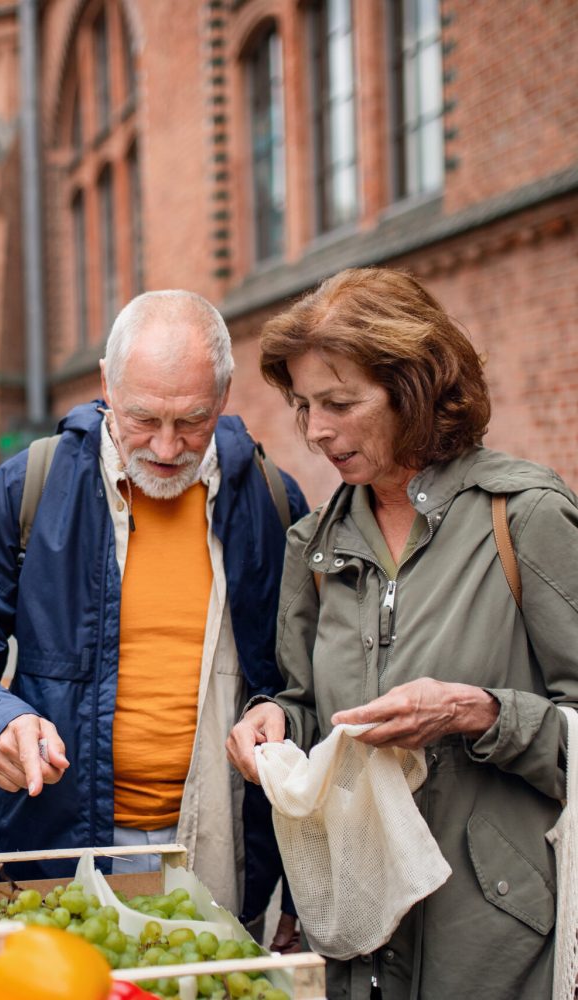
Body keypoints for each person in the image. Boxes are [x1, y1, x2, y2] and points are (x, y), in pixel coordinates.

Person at [226, 267, 578, 998]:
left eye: (341, 402)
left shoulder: (526, 519)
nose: (317, 429)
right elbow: (310, 705)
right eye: (304, 405)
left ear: (414, 389)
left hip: (498, 948)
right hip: (363, 949)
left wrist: (478, 713)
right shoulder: (313, 548)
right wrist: (274, 722)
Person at [0, 290, 309, 917]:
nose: (166, 446)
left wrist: (279, 713)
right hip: (56, 849)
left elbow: (303, 679)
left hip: (224, 854)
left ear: (224, 397)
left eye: (192, 421)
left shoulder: (272, 501)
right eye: (142, 418)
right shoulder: (28, 488)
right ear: (107, 383)